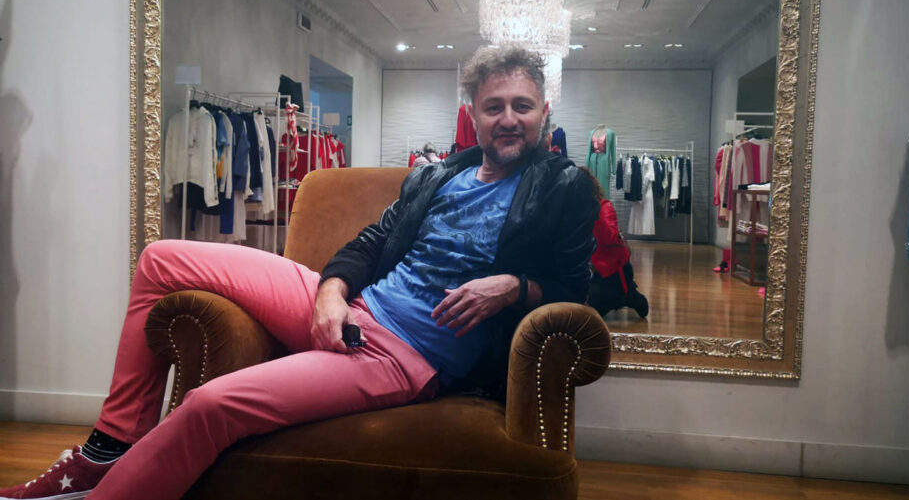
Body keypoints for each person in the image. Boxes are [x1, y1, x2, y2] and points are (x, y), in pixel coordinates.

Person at [0, 46, 599, 500]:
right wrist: (332, 292)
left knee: (209, 406)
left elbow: (580, 289)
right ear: (473, 113)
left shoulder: (564, 187)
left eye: (522, 106)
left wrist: (515, 287)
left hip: (396, 354)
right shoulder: (441, 174)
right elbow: (371, 242)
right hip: (351, 305)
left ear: (544, 111)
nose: (508, 119)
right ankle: (109, 446)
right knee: (162, 258)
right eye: (494, 106)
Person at [579, 166, 649, 319]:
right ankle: (619, 296)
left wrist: (592, 210)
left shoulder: (604, 207)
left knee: (588, 314)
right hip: (596, 273)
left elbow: (610, 237)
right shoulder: (578, 211)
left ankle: (627, 295)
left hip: (615, 273)